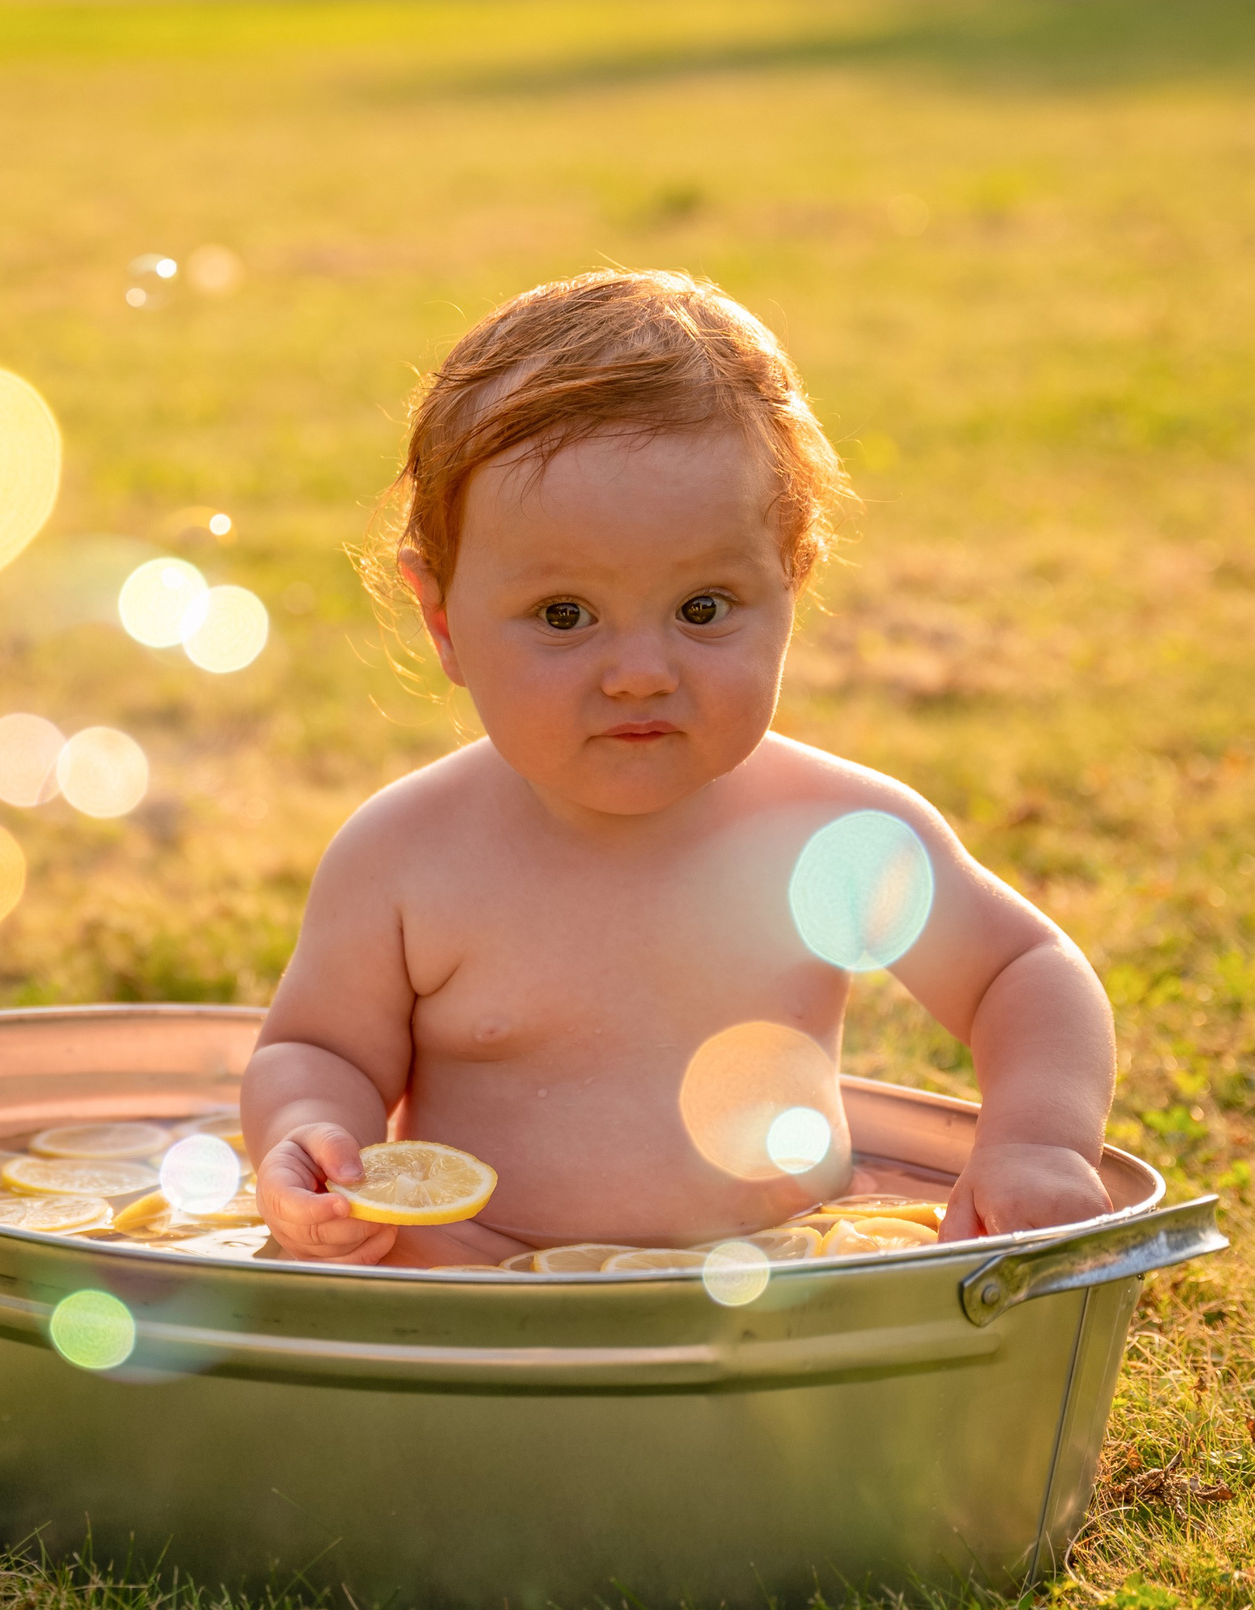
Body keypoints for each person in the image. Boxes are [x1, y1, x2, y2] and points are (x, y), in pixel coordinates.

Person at [240, 269, 1115, 1266]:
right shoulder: (407, 858)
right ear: (442, 621)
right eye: (563, 616)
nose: (640, 675)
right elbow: (318, 1052)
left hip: (778, 1274)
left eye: (702, 609)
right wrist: (311, 1140)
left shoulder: (827, 836)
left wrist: (1034, 1143)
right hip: (481, 1276)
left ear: (792, 579)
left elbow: (1022, 972)